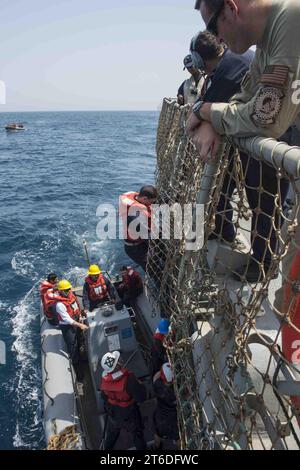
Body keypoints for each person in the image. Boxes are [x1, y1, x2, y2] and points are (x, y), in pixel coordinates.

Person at [187, 0, 300, 281]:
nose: (217, 38)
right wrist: (212, 119)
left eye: (213, 26)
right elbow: (242, 98)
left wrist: (203, 111)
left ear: (232, 7)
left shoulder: (291, 20)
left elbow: (265, 117)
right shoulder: (266, 44)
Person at [99, 351, 147, 450]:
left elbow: (104, 397)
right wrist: (140, 385)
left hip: (114, 414)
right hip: (130, 415)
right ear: (118, 365)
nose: (120, 360)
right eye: (118, 360)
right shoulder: (129, 379)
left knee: (112, 434)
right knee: (137, 434)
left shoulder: (104, 381)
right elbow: (141, 398)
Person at [54, 280, 88, 377]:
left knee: (80, 340)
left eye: (69, 289)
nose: (68, 291)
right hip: (68, 327)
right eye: (66, 290)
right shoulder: (59, 304)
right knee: (73, 347)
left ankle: (83, 358)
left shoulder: (71, 296)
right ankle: (78, 372)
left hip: (76, 320)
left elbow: (76, 306)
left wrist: (80, 317)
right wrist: (80, 325)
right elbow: (67, 319)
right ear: (61, 291)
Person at [119, 185, 157, 271]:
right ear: (144, 199)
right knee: (152, 269)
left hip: (139, 241)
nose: (151, 204)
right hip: (135, 248)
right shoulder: (135, 216)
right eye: (151, 202)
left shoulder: (135, 197)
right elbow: (145, 235)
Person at [152, 363, 179, 450]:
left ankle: (157, 447)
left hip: (160, 415)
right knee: (178, 437)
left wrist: (164, 370)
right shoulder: (175, 392)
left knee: (157, 433)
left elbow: (157, 375)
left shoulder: (157, 384)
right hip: (173, 419)